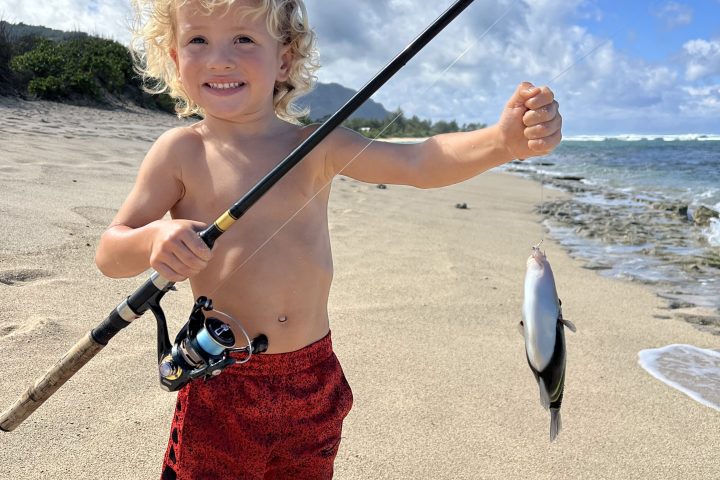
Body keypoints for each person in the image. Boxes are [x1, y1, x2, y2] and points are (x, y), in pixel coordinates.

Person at [96, 0, 562, 478]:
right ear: (175, 58)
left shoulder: (316, 145)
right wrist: (154, 237)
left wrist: (503, 142)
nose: (220, 59)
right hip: (222, 383)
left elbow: (418, 163)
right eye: (198, 40)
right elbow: (111, 251)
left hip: (313, 379)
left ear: (285, 57)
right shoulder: (179, 152)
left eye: (244, 39)